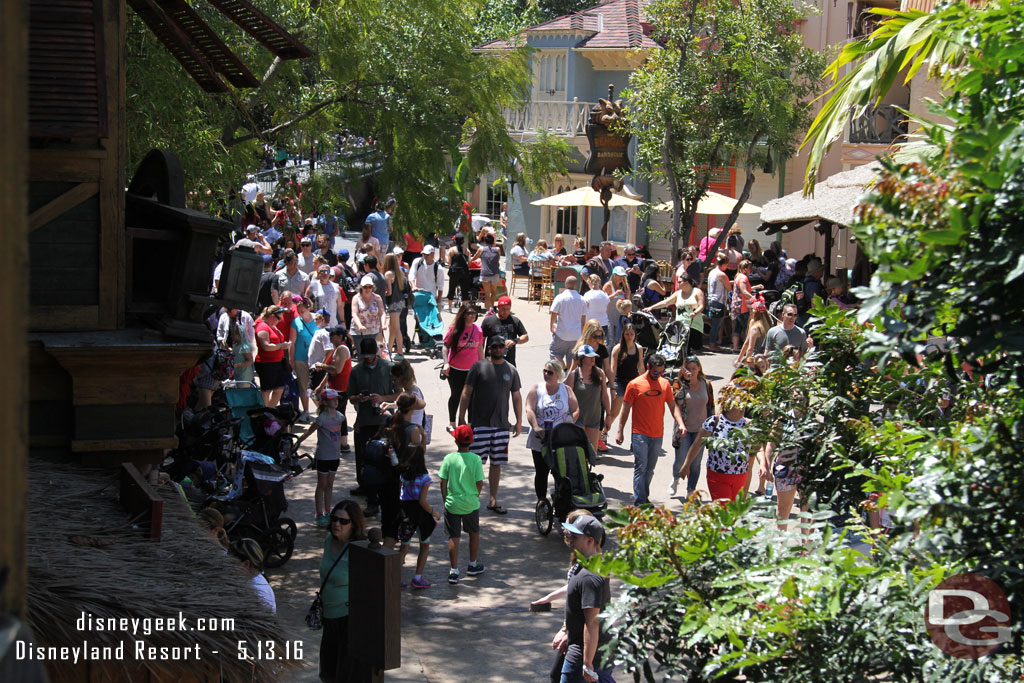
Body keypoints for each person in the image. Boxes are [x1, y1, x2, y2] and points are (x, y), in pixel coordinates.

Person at [458, 335, 523, 515]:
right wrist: (461, 416)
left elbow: (516, 397)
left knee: (497, 463)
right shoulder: (478, 367)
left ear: (505, 348)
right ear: (488, 349)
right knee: (474, 463)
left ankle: (493, 500)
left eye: (501, 346)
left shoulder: (511, 370)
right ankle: (470, 498)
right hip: (480, 425)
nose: (498, 349)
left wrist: (519, 421)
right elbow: (466, 392)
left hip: (502, 425)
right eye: (494, 346)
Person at [615, 353, 685, 506]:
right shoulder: (634, 384)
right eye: (655, 372)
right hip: (639, 434)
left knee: (650, 469)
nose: (658, 375)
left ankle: (644, 497)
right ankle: (640, 501)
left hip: (657, 434)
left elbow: (673, 407)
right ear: (648, 367)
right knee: (641, 467)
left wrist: (680, 423)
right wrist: (620, 431)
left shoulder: (665, 384)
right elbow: (625, 409)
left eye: (661, 372)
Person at [554, 515, 614, 683]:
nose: (569, 538)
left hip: (582, 657)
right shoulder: (590, 564)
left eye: (575, 535)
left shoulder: (590, 576)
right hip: (586, 653)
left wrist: (587, 663)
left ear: (589, 541)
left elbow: (592, 622)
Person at [347, 338, 399, 517]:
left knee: (388, 460)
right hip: (365, 421)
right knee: (366, 461)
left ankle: (389, 499)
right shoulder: (356, 371)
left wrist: (383, 398)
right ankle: (371, 500)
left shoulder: (389, 367)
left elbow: (400, 394)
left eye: (371, 356)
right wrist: (358, 399)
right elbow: (350, 397)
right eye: (365, 356)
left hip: (385, 421)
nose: (368, 359)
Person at [319, 500, 368, 683]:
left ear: (354, 524)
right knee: (327, 672)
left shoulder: (359, 549)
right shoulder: (329, 540)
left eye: (343, 521)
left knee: (346, 675)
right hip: (329, 618)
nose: (337, 524)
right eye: (334, 519)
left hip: (349, 621)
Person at [680, 387, 754, 502]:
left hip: (740, 475)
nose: (742, 408)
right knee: (723, 511)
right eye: (738, 405)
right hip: (718, 475)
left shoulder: (749, 425)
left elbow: (757, 449)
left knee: (734, 513)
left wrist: (764, 464)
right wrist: (686, 465)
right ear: (727, 406)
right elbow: (697, 444)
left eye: (744, 405)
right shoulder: (714, 422)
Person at [525, 360, 580, 502]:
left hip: (560, 440)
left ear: (558, 374)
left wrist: (569, 424)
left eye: (550, 372)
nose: (546, 374)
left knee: (561, 473)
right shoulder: (536, 389)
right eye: (544, 371)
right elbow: (529, 409)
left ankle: (560, 502)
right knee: (542, 473)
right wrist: (536, 427)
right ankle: (542, 502)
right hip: (541, 439)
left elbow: (576, 409)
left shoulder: (566, 390)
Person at [439, 425, 486, 584]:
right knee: (474, 532)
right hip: (471, 503)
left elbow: (443, 482)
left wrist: (446, 499)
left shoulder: (449, 459)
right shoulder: (476, 459)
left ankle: (454, 571)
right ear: (471, 442)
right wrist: (475, 495)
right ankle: (472, 565)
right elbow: (479, 482)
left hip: (452, 503)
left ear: (455, 440)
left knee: (454, 536)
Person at [295, 388, 346, 526]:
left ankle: (328, 511)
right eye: (333, 400)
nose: (336, 402)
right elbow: (310, 431)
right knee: (322, 484)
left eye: (337, 399)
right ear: (325, 402)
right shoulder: (322, 418)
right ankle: (319, 513)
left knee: (330, 485)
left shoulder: (340, 417)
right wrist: (298, 442)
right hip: (323, 455)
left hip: (335, 456)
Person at [670, 357, 715, 498]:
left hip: (701, 430)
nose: (691, 372)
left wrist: (713, 428)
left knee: (695, 462)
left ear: (699, 369)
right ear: (683, 370)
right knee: (681, 459)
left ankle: (691, 489)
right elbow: (677, 400)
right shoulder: (678, 383)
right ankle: (676, 478)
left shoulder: (706, 384)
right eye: (688, 369)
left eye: (694, 368)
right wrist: (686, 383)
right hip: (684, 428)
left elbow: (711, 406)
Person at [398, 444, 439, 589]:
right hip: (420, 515)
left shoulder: (403, 475)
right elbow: (422, 501)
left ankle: (397, 578)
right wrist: (433, 512)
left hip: (405, 513)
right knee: (425, 544)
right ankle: (418, 577)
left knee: (404, 546)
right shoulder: (425, 478)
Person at [442, 304, 484, 431]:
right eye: (469, 313)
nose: (472, 316)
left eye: (474, 313)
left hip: (472, 370)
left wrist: (483, 366)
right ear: (463, 314)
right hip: (455, 369)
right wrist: (445, 363)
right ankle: (452, 422)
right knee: (456, 395)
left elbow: (480, 348)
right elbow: (445, 347)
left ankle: (470, 424)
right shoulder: (455, 329)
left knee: (472, 397)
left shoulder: (478, 330)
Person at [565, 346, 611, 453]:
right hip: (578, 419)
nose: (593, 359)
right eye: (589, 357)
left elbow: (604, 395)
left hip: (594, 418)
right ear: (581, 359)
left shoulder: (600, 374)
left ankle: (588, 470)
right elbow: (566, 397)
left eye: (594, 357)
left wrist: (608, 415)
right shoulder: (574, 375)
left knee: (592, 452)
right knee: (578, 451)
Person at [315, 326, 352, 454]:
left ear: (340, 337)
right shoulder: (337, 349)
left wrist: (321, 365)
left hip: (340, 389)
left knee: (333, 416)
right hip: (334, 388)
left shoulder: (342, 349)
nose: (330, 337)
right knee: (338, 415)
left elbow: (336, 370)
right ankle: (342, 443)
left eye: (332, 335)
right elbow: (331, 371)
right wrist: (321, 386)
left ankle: (339, 443)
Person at [643, 275, 706, 351]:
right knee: (682, 350)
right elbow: (666, 302)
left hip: (694, 326)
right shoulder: (678, 293)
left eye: (679, 282)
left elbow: (701, 305)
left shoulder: (696, 291)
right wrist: (651, 308)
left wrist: (695, 313)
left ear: (686, 282)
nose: (677, 284)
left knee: (693, 350)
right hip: (681, 327)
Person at [609, 323, 644, 437]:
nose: (629, 336)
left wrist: (645, 384)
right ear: (623, 334)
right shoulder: (617, 349)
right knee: (614, 412)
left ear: (635, 335)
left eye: (631, 334)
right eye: (627, 334)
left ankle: (635, 439)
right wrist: (612, 387)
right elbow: (613, 369)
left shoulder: (638, 349)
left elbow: (641, 367)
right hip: (619, 382)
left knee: (637, 413)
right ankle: (604, 433)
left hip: (634, 383)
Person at [254, 306, 292, 407]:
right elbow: (266, 346)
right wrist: (281, 346)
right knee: (267, 390)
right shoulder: (263, 327)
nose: (279, 321)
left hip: (277, 362)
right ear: (271, 316)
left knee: (279, 389)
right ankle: (265, 412)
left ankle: (270, 410)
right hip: (266, 363)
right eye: (278, 318)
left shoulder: (272, 326)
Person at [290, 297, 319, 420]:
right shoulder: (296, 322)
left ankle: (321, 408)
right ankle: (306, 410)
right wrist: (291, 360)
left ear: (309, 308)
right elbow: (292, 343)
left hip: (315, 358)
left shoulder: (318, 319)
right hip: (300, 357)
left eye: (302, 311)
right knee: (304, 385)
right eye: (299, 311)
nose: (301, 314)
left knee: (316, 386)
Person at [229, 538, 275, 614]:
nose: (228, 567)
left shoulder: (256, 593)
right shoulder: (255, 578)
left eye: (232, 563)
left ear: (246, 564)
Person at [549, 276, 587, 367]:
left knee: (554, 353)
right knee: (572, 358)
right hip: (576, 334)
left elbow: (554, 313)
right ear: (576, 285)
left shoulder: (560, 298)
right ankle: (569, 376)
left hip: (562, 332)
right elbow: (583, 318)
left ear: (565, 284)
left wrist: (551, 325)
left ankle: (564, 369)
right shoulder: (582, 299)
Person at [481, 295, 529, 368]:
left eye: (508, 309)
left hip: (509, 362)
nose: (505, 311)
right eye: (503, 309)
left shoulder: (515, 321)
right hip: (491, 362)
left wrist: (515, 341)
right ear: (498, 307)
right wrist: (481, 359)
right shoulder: (488, 321)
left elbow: (525, 337)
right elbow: (481, 340)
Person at [216, 307, 256, 384]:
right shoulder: (223, 317)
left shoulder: (246, 317)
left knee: (245, 380)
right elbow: (219, 335)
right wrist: (226, 346)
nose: (228, 313)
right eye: (227, 311)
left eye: (230, 310)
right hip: (226, 354)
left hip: (243, 354)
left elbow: (251, 337)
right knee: (226, 380)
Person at [382, 253, 409, 356]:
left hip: (393, 302)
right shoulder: (400, 272)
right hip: (400, 301)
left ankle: (400, 351)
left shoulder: (388, 274)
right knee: (392, 326)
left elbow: (389, 292)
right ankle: (389, 349)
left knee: (396, 328)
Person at [730, 259, 759, 352]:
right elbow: (744, 291)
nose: (751, 270)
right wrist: (754, 299)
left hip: (736, 306)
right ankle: (749, 348)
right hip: (742, 307)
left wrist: (756, 287)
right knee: (747, 327)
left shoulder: (738, 276)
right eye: (750, 268)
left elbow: (746, 289)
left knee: (738, 327)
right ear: (745, 269)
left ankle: (735, 347)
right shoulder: (743, 278)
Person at [351, 275, 385, 350]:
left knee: (372, 354)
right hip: (358, 332)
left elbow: (382, 312)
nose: (368, 289)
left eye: (370, 287)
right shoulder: (356, 298)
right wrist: (359, 325)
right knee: (361, 354)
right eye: (365, 287)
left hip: (373, 331)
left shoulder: (377, 298)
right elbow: (354, 314)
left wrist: (383, 324)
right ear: (361, 287)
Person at [706, 252, 732, 351]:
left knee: (716, 324)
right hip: (719, 301)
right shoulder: (722, 274)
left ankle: (715, 342)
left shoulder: (711, 272)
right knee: (716, 325)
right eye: (727, 264)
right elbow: (729, 287)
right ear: (724, 263)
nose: (727, 266)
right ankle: (712, 344)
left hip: (711, 300)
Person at [736, 299, 771, 368]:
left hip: (755, 360)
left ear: (753, 312)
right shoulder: (768, 325)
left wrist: (744, 361)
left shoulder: (755, 328)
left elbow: (749, 347)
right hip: (766, 359)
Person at [308, 264, 342, 333]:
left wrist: (342, 321)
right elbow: (307, 302)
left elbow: (340, 306)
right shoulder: (313, 286)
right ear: (319, 273)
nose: (326, 273)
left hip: (332, 324)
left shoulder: (336, 287)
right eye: (323, 271)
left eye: (328, 271)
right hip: (317, 325)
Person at [473, 232, 502, 310]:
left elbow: (475, 257)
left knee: (487, 294)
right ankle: (492, 309)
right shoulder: (498, 249)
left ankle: (487, 310)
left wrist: (469, 261)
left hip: (485, 273)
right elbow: (497, 259)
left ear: (485, 241)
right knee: (493, 292)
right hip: (495, 273)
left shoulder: (481, 249)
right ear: (493, 241)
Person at [409, 245, 445, 309]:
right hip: (418, 295)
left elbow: (440, 287)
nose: (425, 256)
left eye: (427, 254)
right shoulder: (417, 262)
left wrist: (438, 302)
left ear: (433, 254)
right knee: (418, 317)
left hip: (431, 297)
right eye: (424, 254)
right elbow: (411, 275)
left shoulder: (438, 268)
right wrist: (413, 286)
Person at [603, 266, 630, 346]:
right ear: (614, 275)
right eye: (619, 276)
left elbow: (627, 304)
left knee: (619, 341)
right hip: (609, 317)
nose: (621, 278)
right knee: (610, 341)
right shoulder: (608, 285)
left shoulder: (625, 286)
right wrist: (614, 294)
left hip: (620, 318)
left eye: (622, 276)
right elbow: (603, 300)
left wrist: (627, 297)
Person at [445, 233, 472, 311]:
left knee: (451, 289)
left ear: (455, 241)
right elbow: (469, 262)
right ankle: (464, 309)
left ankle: (450, 307)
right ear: (463, 241)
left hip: (454, 272)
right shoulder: (466, 250)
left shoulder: (452, 250)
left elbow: (448, 262)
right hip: (464, 272)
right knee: (465, 290)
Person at [582, 274, 611, 340]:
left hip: (590, 324)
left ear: (590, 282)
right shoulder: (605, 295)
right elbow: (607, 310)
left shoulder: (587, 295)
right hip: (603, 323)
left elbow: (584, 310)